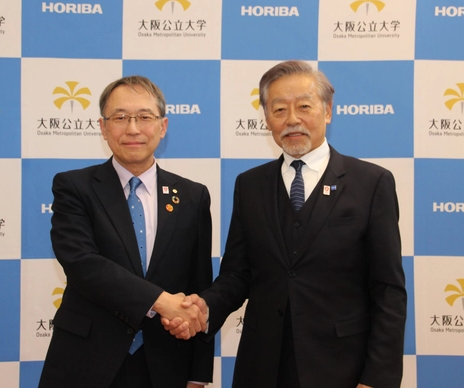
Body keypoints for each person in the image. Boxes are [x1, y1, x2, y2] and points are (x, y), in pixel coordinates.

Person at [165, 60, 407, 387]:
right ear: (267, 119)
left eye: (304, 106)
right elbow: (238, 274)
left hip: (342, 368)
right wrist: (204, 308)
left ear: (328, 111)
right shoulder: (249, 185)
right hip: (262, 366)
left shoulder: (371, 183)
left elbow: (388, 290)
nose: (292, 119)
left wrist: (377, 379)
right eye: (279, 109)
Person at [39, 75, 214, 388]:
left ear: (162, 126)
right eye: (120, 118)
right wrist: (161, 301)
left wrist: (198, 374)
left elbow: (199, 284)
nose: (133, 129)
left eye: (145, 117)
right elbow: (82, 264)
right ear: (103, 127)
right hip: (86, 360)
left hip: (166, 362)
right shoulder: (74, 187)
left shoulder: (192, 196)